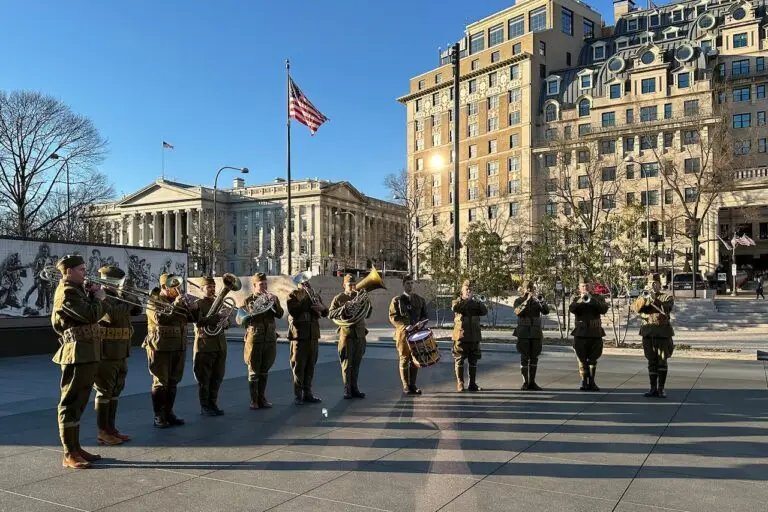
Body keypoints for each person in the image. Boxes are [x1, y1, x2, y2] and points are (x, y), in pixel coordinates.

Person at [50, 254, 109, 469]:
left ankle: (75, 447)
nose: (85, 273)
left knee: (80, 401)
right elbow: (90, 315)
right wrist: (99, 298)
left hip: (87, 351)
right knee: (70, 401)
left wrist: (92, 293)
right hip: (76, 352)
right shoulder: (66, 292)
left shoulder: (77, 291)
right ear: (68, 272)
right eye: (81, 269)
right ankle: (69, 452)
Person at [143, 273, 199, 428]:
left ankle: (169, 412)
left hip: (178, 346)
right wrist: (176, 303)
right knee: (161, 382)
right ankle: (159, 416)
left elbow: (194, 319)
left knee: (174, 381)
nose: (177, 290)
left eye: (178, 286)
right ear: (163, 287)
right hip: (160, 347)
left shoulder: (179, 301)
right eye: (173, 287)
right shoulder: (153, 300)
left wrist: (194, 308)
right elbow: (160, 319)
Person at [93, 265, 141, 446]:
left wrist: (127, 295)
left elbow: (137, 310)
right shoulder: (99, 297)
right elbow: (112, 315)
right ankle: (102, 431)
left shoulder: (119, 297)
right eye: (117, 282)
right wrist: (127, 300)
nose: (120, 285)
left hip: (121, 350)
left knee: (115, 390)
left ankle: (111, 429)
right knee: (104, 391)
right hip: (106, 351)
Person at [239, 273, 284, 409]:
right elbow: (240, 319)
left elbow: (280, 314)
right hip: (255, 338)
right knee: (253, 370)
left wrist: (275, 302)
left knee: (265, 369)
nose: (264, 287)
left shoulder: (271, 299)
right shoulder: (248, 301)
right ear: (254, 286)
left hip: (269, 338)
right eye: (261, 284)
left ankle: (262, 398)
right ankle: (254, 400)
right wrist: (252, 313)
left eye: (265, 284)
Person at [632, 273, 675, 398]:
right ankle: (652, 388)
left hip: (662, 334)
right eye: (650, 283)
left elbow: (665, 309)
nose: (652, 285)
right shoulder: (643, 297)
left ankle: (661, 389)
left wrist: (654, 300)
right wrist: (644, 299)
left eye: (655, 283)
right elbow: (635, 308)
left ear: (659, 285)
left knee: (662, 361)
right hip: (648, 334)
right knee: (651, 362)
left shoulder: (666, 297)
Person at [286, 276, 328, 405]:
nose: (306, 284)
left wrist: (322, 307)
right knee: (299, 366)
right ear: (298, 284)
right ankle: (298, 395)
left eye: (307, 282)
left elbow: (325, 312)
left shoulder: (314, 294)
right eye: (303, 282)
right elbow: (293, 311)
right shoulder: (293, 295)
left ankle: (308, 393)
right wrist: (305, 299)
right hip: (299, 335)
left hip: (313, 335)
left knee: (311, 365)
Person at [329, 274, 371, 399]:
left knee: (357, 363)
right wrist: (344, 308)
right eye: (349, 285)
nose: (352, 287)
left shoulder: (360, 296)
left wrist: (368, 303)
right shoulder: (339, 298)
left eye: (354, 284)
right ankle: (347, 389)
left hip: (360, 334)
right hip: (347, 334)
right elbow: (330, 314)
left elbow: (367, 314)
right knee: (347, 363)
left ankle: (355, 388)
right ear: (344, 285)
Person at [192, 276, 228, 416]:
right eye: (209, 287)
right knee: (204, 378)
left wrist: (225, 323)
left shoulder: (219, 303)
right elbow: (199, 322)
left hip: (220, 345)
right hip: (205, 345)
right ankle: (204, 406)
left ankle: (213, 403)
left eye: (213, 286)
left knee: (217, 377)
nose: (212, 289)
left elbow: (224, 322)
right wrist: (218, 317)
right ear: (202, 289)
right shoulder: (198, 304)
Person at [389, 274, 428, 395]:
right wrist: (405, 326)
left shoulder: (419, 299)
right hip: (403, 334)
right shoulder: (397, 300)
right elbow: (393, 317)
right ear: (403, 285)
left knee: (415, 359)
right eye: (407, 283)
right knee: (404, 359)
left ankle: (413, 385)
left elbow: (425, 315)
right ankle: (405, 385)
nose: (410, 286)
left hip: (416, 334)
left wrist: (422, 323)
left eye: (411, 283)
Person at [569, 276, 608, 391]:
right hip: (580, 333)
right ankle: (583, 382)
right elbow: (572, 309)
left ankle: (592, 382)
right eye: (583, 286)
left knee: (593, 359)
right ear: (579, 288)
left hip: (595, 333)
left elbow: (604, 309)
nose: (585, 287)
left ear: (591, 286)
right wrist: (581, 299)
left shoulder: (598, 297)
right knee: (581, 359)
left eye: (587, 285)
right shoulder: (576, 298)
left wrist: (591, 299)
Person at [451, 279, 488, 392]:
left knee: (473, 360)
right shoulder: (456, 301)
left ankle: (472, 383)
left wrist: (478, 302)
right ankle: (460, 383)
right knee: (459, 359)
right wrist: (467, 300)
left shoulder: (476, 303)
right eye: (466, 289)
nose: (468, 291)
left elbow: (484, 311)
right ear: (462, 291)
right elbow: (456, 308)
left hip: (474, 335)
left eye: (470, 290)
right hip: (461, 335)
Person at [513, 280, 549, 391]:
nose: (530, 290)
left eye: (531, 288)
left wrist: (541, 302)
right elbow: (517, 311)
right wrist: (527, 301)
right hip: (523, 333)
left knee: (534, 358)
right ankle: (525, 382)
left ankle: (532, 382)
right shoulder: (518, 300)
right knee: (524, 357)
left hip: (535, 333)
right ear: (523, 289)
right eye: (528, 288)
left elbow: (546, 311)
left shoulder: (537, 300)